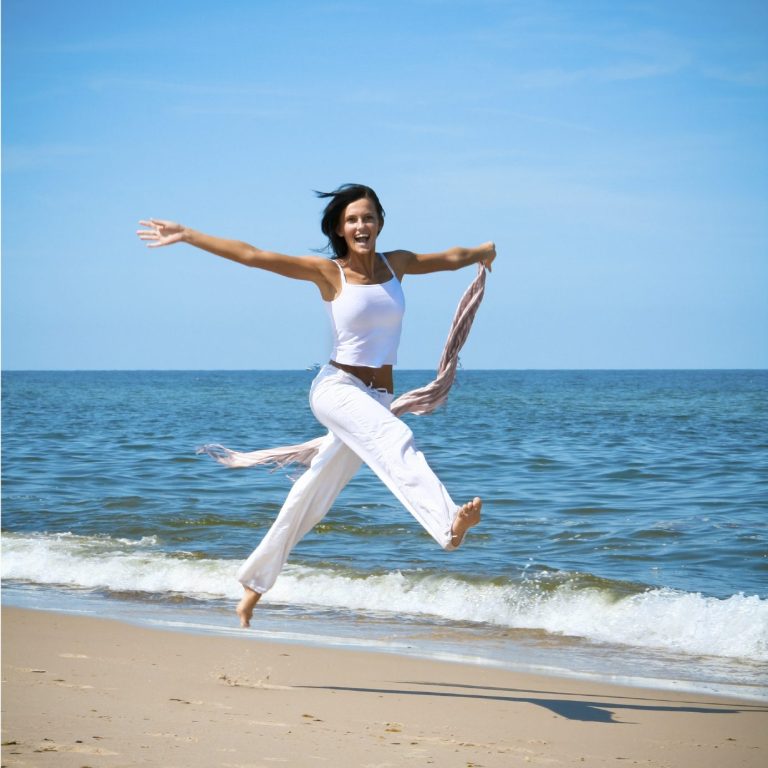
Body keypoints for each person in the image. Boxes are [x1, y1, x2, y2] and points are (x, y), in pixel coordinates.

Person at [137, 184, 496, 627]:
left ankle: (252, 587)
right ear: (340, 230)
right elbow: (253, 255)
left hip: (377, 398)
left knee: (312, 494)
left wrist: (484, 250)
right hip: (337, 389)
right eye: (351, 220)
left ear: (380, 222)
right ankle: (449, 526)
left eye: (367, 218)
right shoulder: (329, 273)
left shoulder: (396, 264)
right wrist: (190, 234)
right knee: (395, 437)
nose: (360, 226)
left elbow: (450, 256)